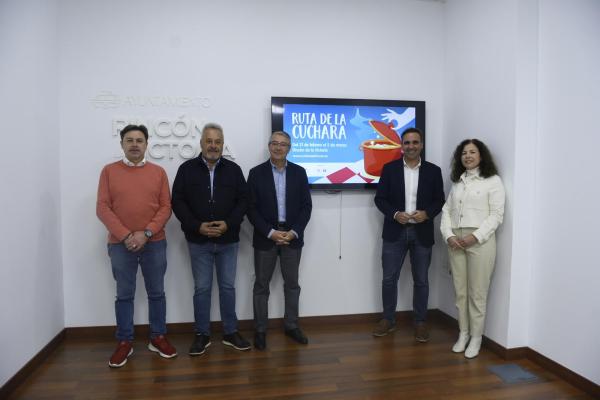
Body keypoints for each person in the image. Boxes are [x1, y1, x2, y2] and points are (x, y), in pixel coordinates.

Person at [96, 124, 177, 368]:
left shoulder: (158, 172)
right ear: (121, 144)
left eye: (139, 140)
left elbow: (166, 207)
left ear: (146, 144)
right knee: (124, 295)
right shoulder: (109, 171)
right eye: (129, 140)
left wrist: (147, 233)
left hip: (155, 243)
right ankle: (125, 341)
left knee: (157, 293)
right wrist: (126, 236)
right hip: (121, 245)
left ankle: (158, 337)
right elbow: (102, 208)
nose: (134, 144)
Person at [172, 122, 251, 356]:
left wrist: (229, 223)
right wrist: (197, 226)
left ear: (223, 144)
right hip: (198, 241)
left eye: (217, 141)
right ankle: (202, 334)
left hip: (228, 240)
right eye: (209, 141)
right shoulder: (186, 169)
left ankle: (230, 332)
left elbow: (244, 200)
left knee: (227, 287)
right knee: (202, 288)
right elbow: (178, 201)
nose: (213, 146)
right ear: (201, 143)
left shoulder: (234, 170)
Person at [373, 127, 445, 342]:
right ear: (401, 146)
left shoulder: (434, 171)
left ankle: (420, 322)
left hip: (422, 233)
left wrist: (427, 214)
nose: (411, 146)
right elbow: (380, 199)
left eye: (415, 142)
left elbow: (439, 200)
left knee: (421, 280)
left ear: (421, 145)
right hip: (394, 232)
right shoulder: (389, 169)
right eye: (407, 142)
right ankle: (388, 320)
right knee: (389, 279)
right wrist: (395, 214)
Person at [247, 131, 312, 351]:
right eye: (274, 143)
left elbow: (306, 207)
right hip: (266, 237)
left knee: (292, 284)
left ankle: (291, 325)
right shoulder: (256, 173)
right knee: (261, 285)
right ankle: (260, 330)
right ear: (269, 146)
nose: (278, 147)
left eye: (283, 144)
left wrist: (294, 232)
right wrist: (270, 232)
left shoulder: (299, 173)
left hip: (291, 238)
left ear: (289, 148)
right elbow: (251, 208)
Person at [440, 139, 505, 359]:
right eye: (464, 153)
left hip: (480, 242)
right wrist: (449, 235)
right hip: (455, 241)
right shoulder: (458, 182)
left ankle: (476, 338)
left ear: (481, 155)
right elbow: (446, 211)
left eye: (472, 152)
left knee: (477, 293)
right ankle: (463, 334)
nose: (467, 156)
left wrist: (474, 237)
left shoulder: (492, 181)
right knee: (460, 292)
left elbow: (496, 215)